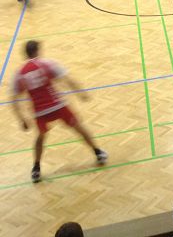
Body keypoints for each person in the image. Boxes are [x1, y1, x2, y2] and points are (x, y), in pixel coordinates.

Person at [11, 40, 108, 183]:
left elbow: (14, 99)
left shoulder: (19, 73)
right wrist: (80, 93)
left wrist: (22, 119)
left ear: (26, 53)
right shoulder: (47, 64)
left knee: (41, 137)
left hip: (39, 111)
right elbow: (67, 79)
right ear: (37, 51)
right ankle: (98, 152)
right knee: (78, 127)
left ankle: (36, 169)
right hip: (57, 105)